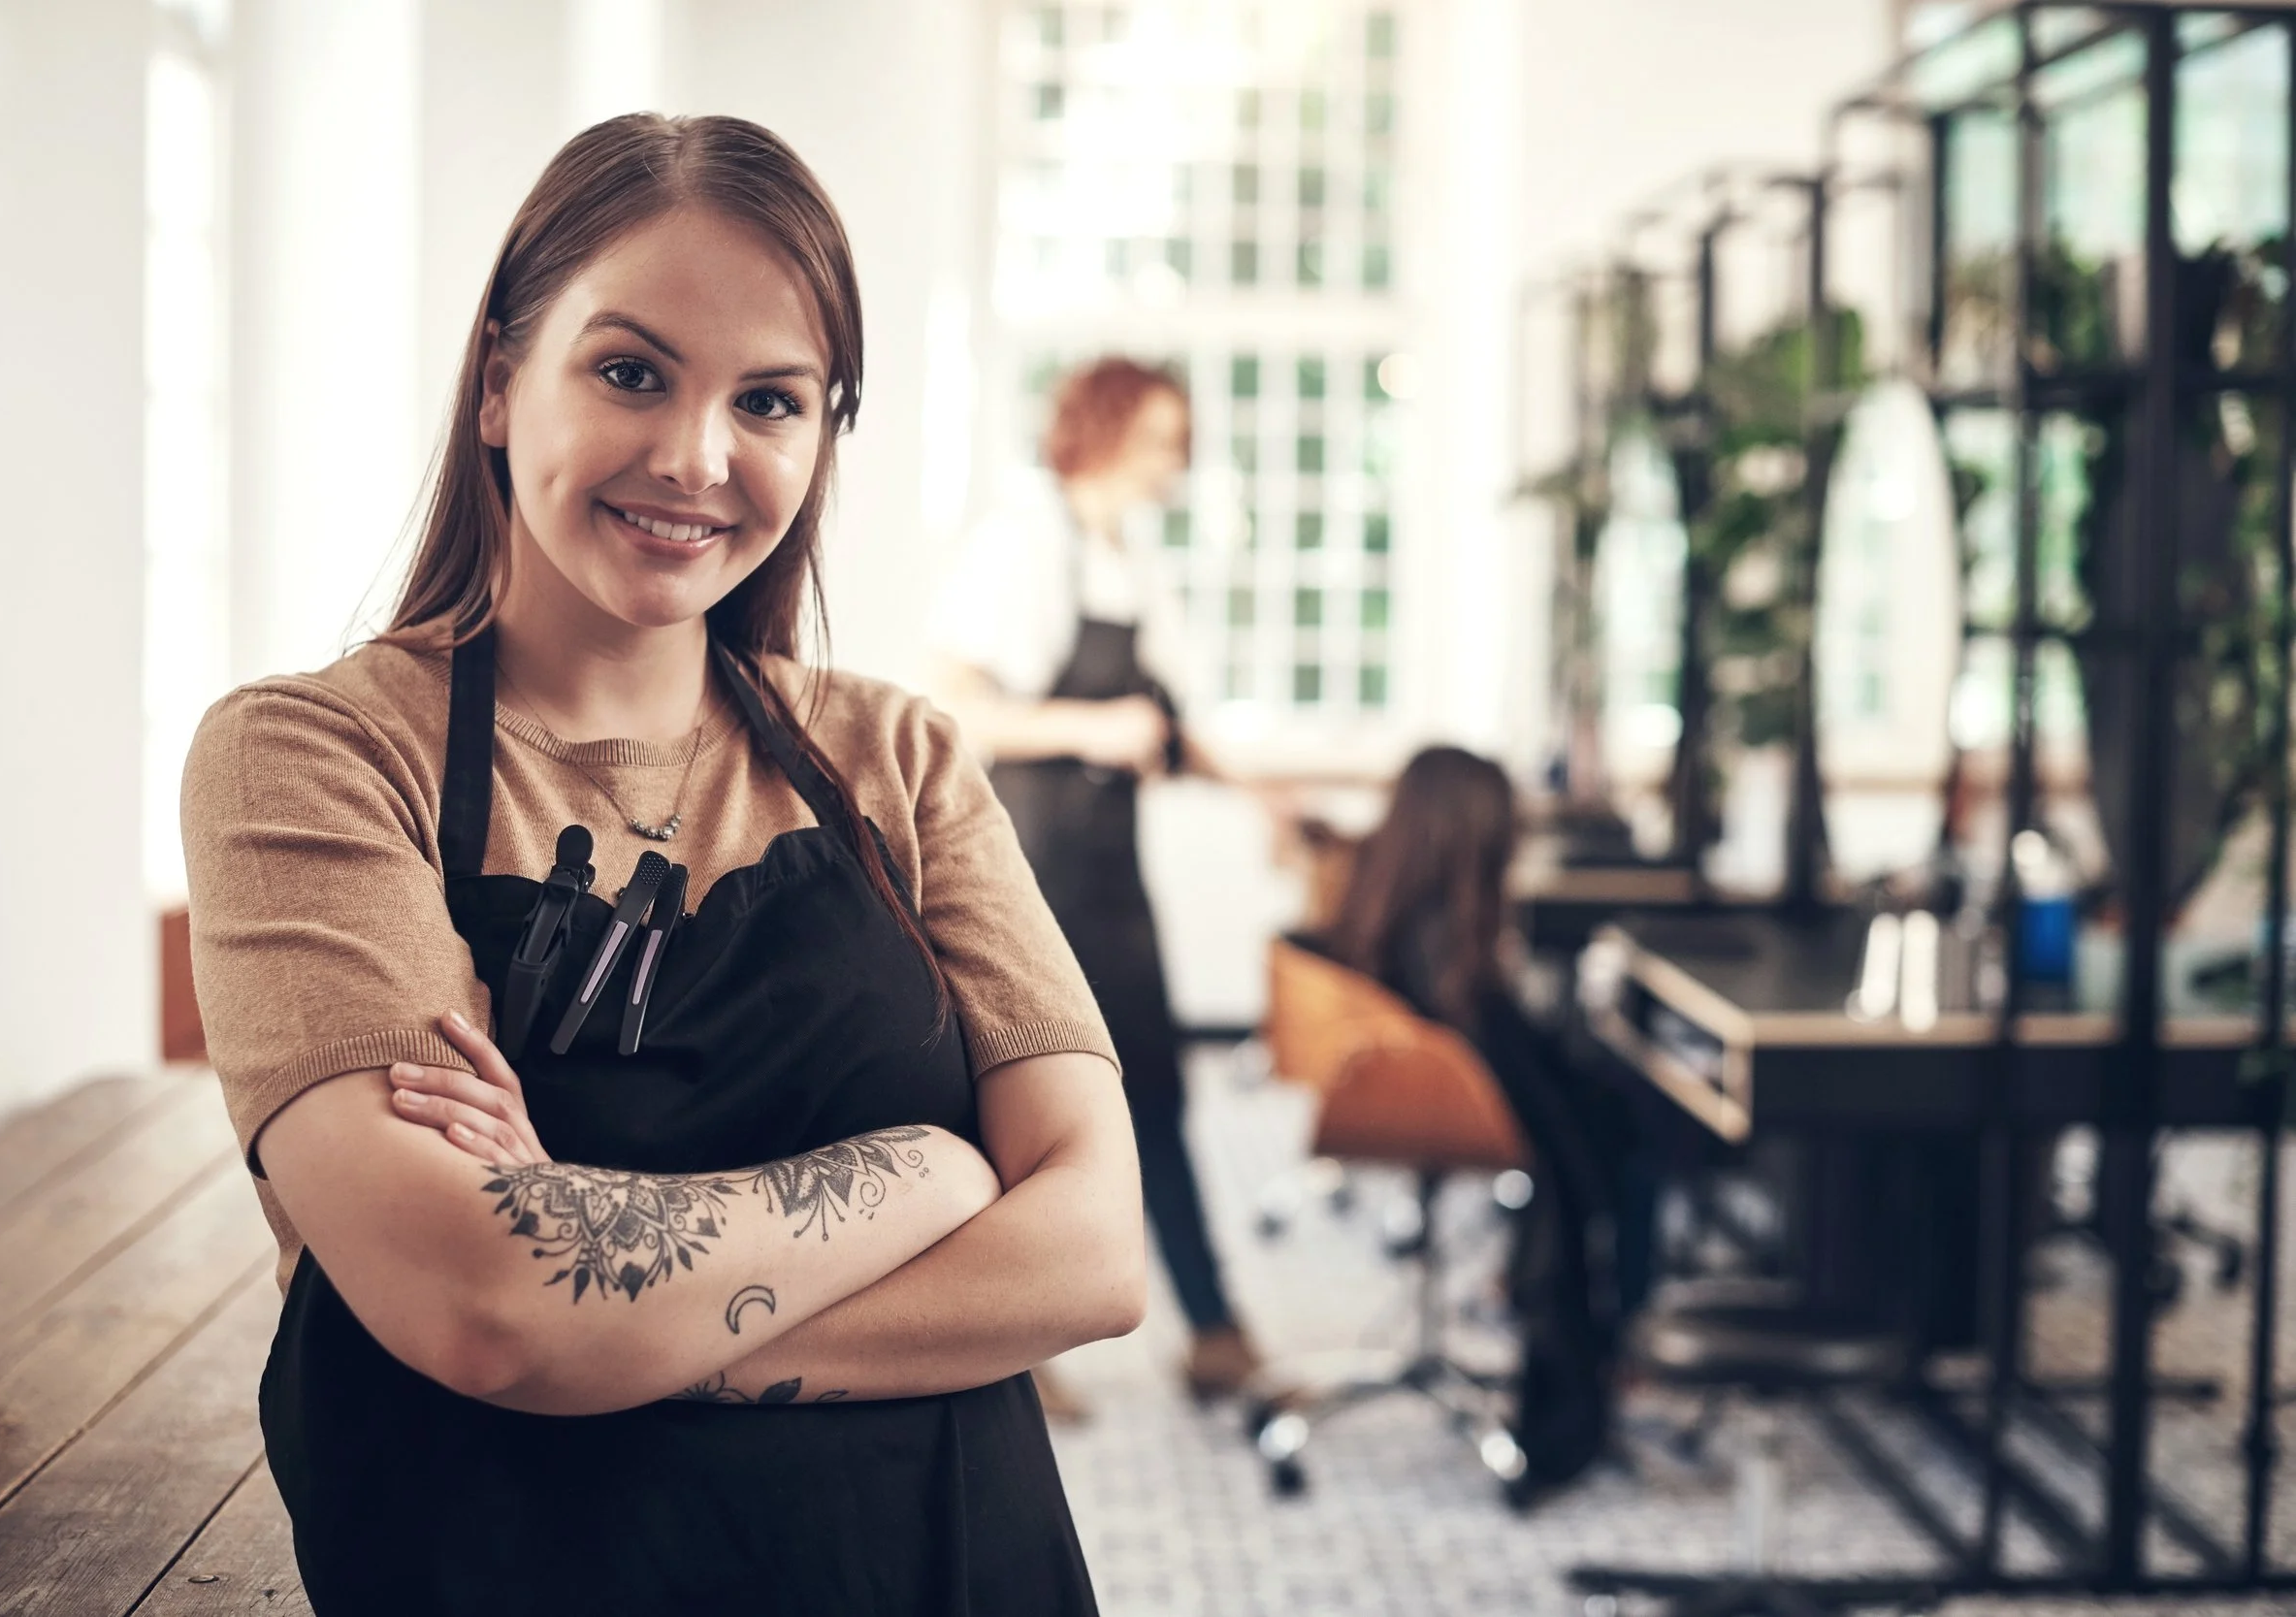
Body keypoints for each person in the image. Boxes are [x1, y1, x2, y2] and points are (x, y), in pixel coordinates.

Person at [180, 114, 1145, 1617]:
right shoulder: (310, 759)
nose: (696, 457)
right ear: (501, 380)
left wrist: (614, 1319)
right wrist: (932, 1174)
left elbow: (1090, 1251)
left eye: (772, 399)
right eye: (630, 371)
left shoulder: (903, 760)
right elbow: (485, 1305)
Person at [929, 358, 1264, 1409]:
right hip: (1031, 872)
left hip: (1113, 879)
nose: (1179, 458)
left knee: (1153, 1090)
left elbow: (1168, 724)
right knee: (1022, 1102)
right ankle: (1008, 1343)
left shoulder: (1128, 560)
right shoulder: (1026, 538)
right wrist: (1092, 727)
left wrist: (1270, 802)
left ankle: (1214, 1329)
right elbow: (953, 706)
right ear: (1108, 429)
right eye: (1164, 435)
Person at [1322, 747, 1621, 1503]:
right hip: (1461, 1106)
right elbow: (1518, 1073)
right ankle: (1597, 1348)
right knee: (1616, 1146)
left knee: (1602, 1122)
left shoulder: (1388, 905)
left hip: (1414, 1097)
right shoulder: (1449, 942)